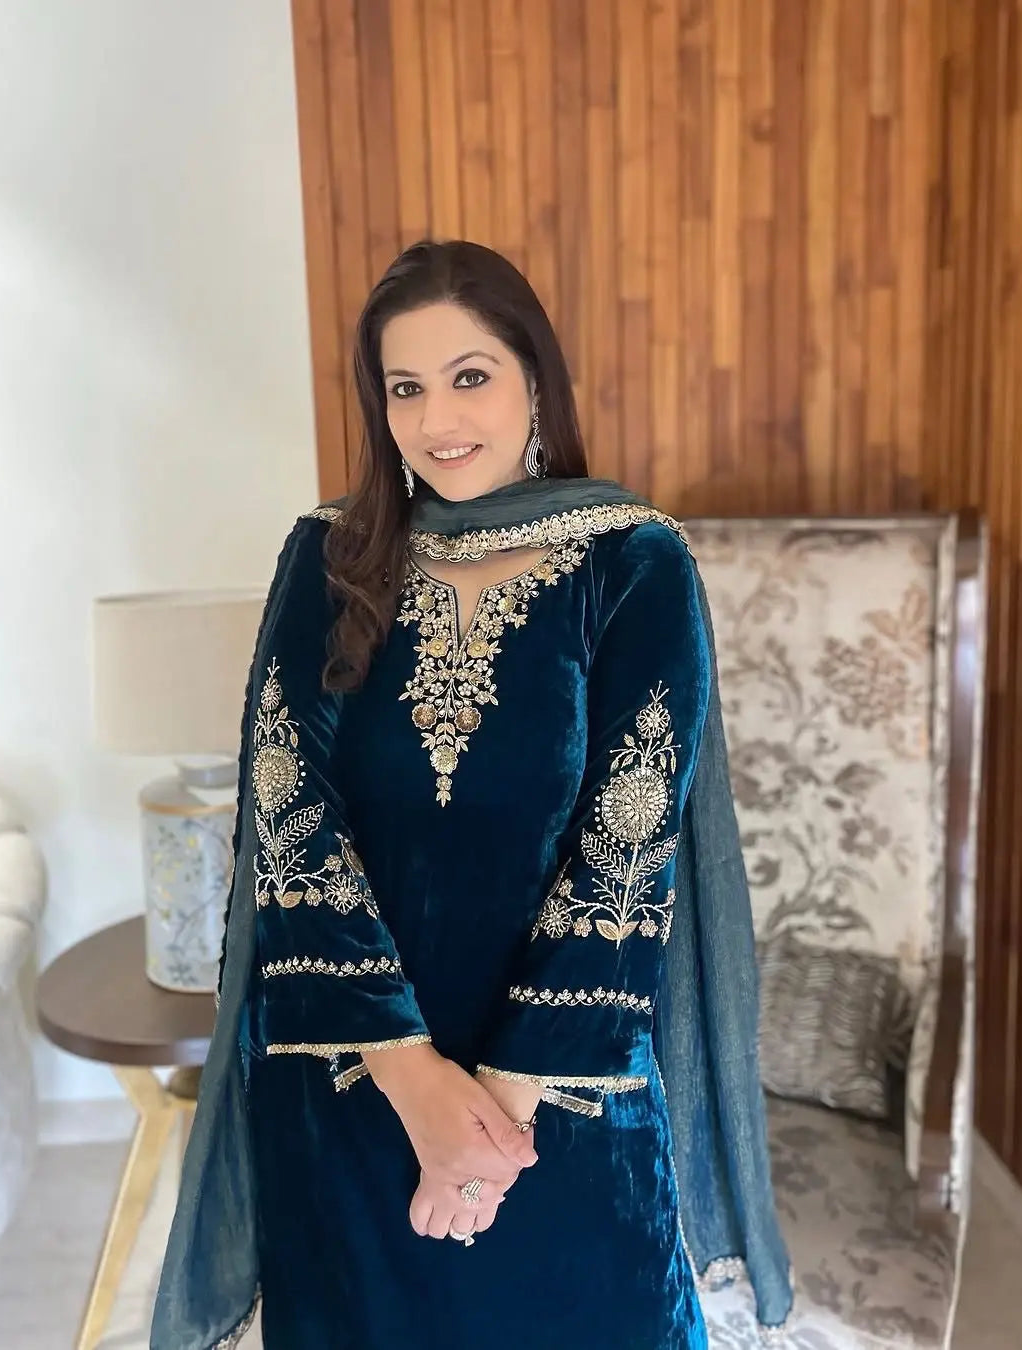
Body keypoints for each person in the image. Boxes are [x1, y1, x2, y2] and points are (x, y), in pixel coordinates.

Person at [151, 240, 793, 1349]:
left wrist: (488, 1128)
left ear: (534, 377)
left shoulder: (633, 563)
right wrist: (413, 1083)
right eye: (404, 388)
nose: (437, 418)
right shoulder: (328, 557)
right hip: (352, 1090)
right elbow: (291, 811)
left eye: (470, 376)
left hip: (562, 1105)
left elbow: (629, 841)